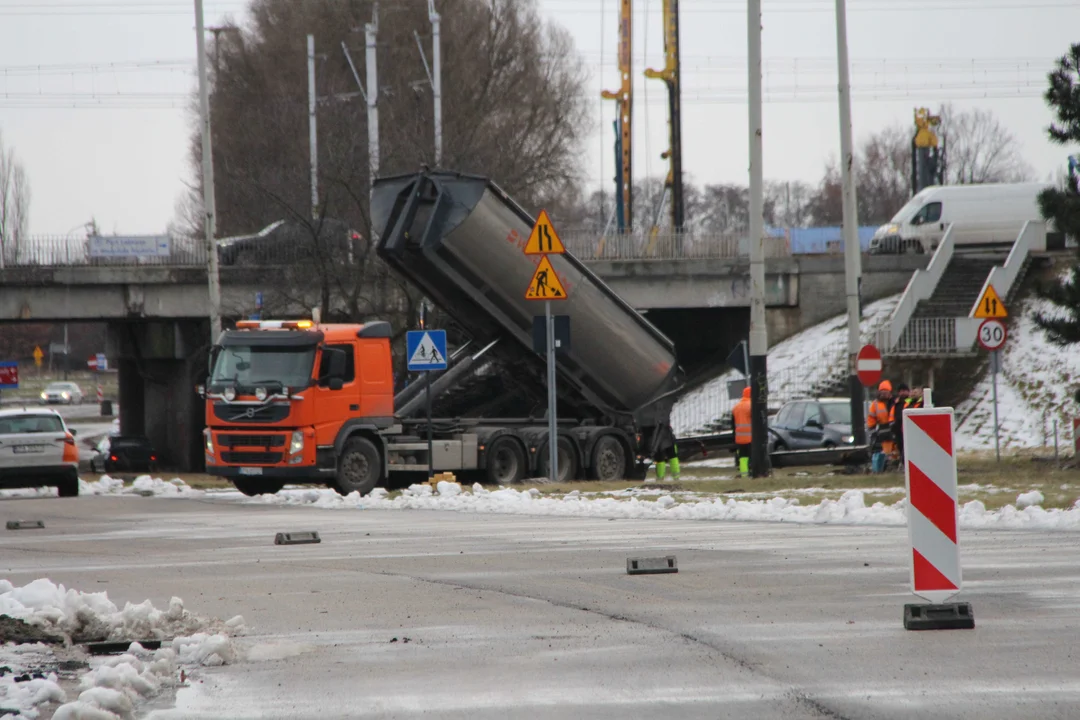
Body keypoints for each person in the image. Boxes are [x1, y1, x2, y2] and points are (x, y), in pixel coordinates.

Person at [867, 380, 894, 473]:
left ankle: (890, 468)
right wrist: (873, 431)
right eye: (882, 392)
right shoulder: (875, 404)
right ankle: (879, 470)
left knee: (893, 452)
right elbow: (871, 419)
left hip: (892, 431)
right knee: (880, 453)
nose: (884, 394)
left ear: (890, 393)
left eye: (886, 392)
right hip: (881, 433)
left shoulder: (894, 402)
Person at [732, 386, 752, 476]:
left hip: (739, 437)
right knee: (752, 456)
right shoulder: (752, 405)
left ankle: (744, 474)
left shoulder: (736, 407)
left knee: (743, 457)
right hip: (751, 436)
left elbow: (732, 424)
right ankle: (752, 472)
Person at [891, 383, 911, 462]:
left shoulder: (910, 402)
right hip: (898, 430)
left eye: (904, 391)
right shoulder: (896, 404)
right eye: (901, 391)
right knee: (900, 448)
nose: (902, 393)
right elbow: (892, 416)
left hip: (908, 429)